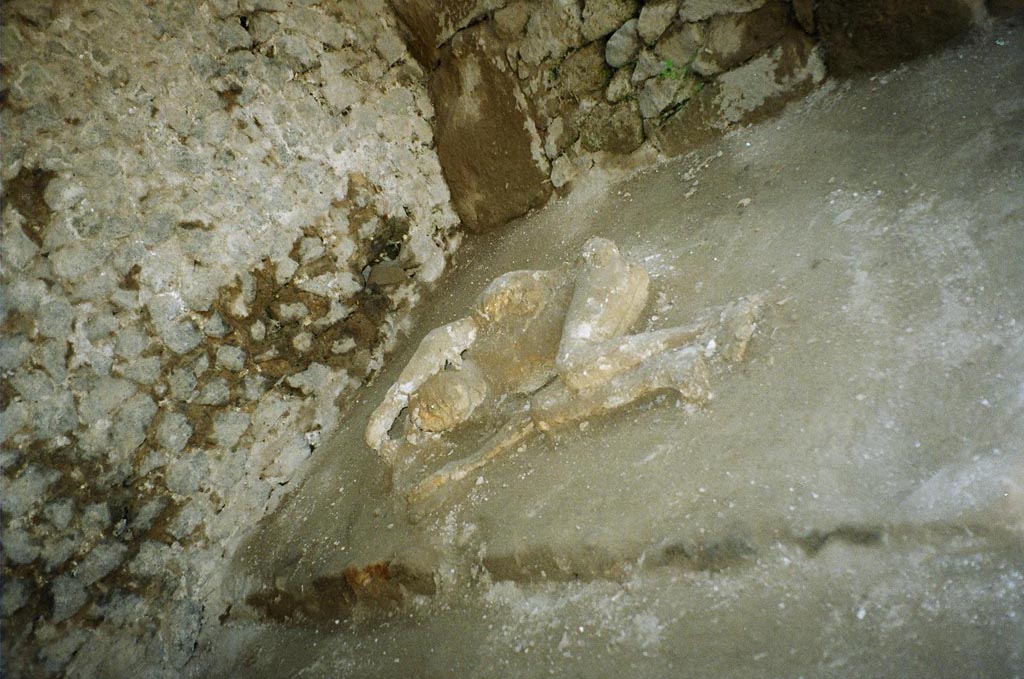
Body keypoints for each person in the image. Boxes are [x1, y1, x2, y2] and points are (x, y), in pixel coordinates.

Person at [365, 237, 761, 504]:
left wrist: (387, 411)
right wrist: (459, 468)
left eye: (427, 400)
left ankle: (709, 330)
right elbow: (520, 427)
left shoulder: (479, 329)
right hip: (601, 331)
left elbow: (436, 342)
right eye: (438, 419)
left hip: (601, 273)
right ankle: (671, 368)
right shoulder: (506, 394)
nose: (436, 408)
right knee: (544, 407)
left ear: (439, 371)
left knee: (572, 367)